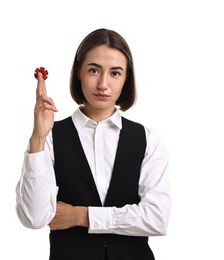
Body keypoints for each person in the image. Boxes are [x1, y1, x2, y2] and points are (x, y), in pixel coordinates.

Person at [16, 28, 171, 260]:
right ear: (78, 72)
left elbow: (157, 219)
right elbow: (34, 218)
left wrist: (81, 216)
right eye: (93, 70)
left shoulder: (148, 139)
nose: (103, 84)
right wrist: (37, 138)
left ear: (126, 78)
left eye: (115, 73)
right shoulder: (49, 137)